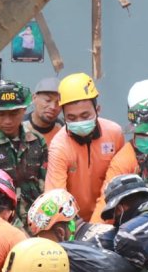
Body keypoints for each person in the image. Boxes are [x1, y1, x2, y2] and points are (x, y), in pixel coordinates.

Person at [45, 73, 125, 222]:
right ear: (63, 116)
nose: (79, 122)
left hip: (109, 216)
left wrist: (100, 224)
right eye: (71, 118)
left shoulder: (114, 134)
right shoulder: (59, 146)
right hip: (73, 222)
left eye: (85, 115)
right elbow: (56, 198)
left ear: (98, 110)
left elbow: (119, 182)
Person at [0, 80, 48, 223]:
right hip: (0, 225)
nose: (8, 121)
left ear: (24, 110)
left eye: (14, 113)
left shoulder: (38, 141)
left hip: (36, 222)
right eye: (1, 114)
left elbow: (46, 187)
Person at [26, 77, 64, 146]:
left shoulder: (62, 130)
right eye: (48, 100)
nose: (53, 107)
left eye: (58, 102)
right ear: (34, 98)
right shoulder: (20, 127)